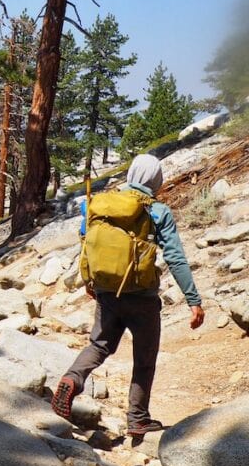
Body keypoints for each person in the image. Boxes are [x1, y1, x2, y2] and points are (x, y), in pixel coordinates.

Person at [51, 154, 205, 437]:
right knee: (144, 357)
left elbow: (86, 243)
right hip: (142, 296)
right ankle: (138, 418)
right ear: (156, 179)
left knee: (99, 346)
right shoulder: (157, 211)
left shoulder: (102, 204)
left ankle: (72, 379)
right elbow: (175, 258)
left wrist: (90, 280)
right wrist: (193, 300)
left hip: (106, 290)